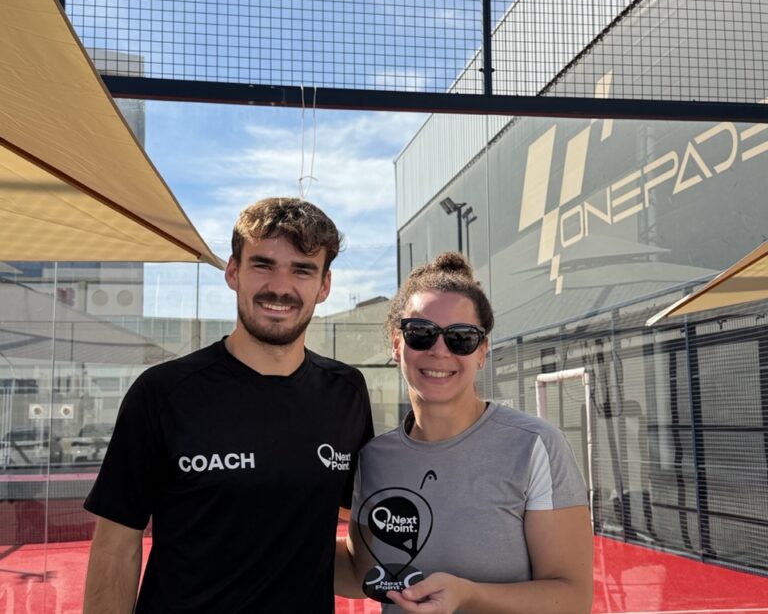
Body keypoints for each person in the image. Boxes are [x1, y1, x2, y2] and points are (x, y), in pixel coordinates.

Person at [83, 197, 374, 613]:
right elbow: (116, 548)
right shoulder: (163, 393)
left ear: (324, 286)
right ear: (233, 272)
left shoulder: (346, 392)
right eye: (263, 265)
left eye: (302, 269)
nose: (280, 287)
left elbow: (357, 520)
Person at [336, 252, 593, 613]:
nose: (440, 351)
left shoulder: (534, 446)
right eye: (421, 333)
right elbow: (359, 572)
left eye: (461, 338)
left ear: (482, 351)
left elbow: (573, 598)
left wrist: (469, 594)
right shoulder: (374, 457)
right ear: (397, 343)